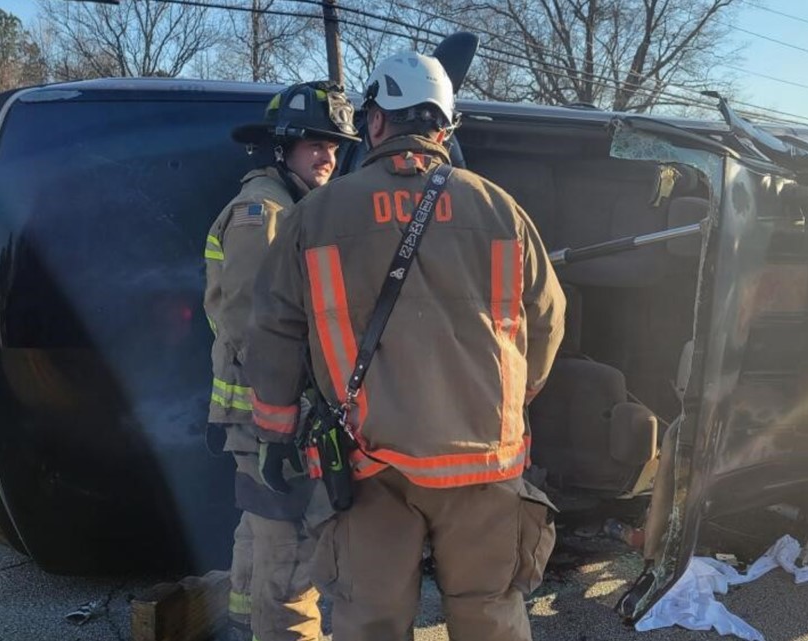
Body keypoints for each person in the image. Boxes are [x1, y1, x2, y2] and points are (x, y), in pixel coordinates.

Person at [246, 52, 566, 641]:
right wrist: (507, 406)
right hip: (486, 466)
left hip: (371, 466)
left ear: (374, 123)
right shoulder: (502, 210)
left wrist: (274, 433)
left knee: (371, 621)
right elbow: (545, 322)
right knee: (491, 615)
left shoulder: (315, 216)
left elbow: (274, 332)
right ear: (445, 127)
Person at [204, 80, 360, 641]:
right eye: (314, 143)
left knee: (260, 532)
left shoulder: (286, 204)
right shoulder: (264, 212)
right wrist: (285, 414)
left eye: (335, 146)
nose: (328, 156)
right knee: (290, 552)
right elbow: (253, 324)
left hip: (262, 413)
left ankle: (246, 621)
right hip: (271, 415)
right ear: (282, 147)